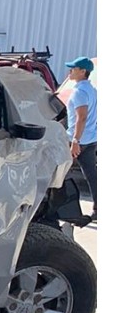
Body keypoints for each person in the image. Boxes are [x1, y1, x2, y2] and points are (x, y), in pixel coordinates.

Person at [64, 56, 98, 225]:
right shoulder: (92, 90)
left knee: (59, 173)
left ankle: (60, 209)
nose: (70, 71)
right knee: (91, 174)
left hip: (78, 140)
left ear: (83, 71)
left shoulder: (79, 92)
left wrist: (75, 140)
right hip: (91, 138)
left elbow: (81, 117)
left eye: (73, 68)